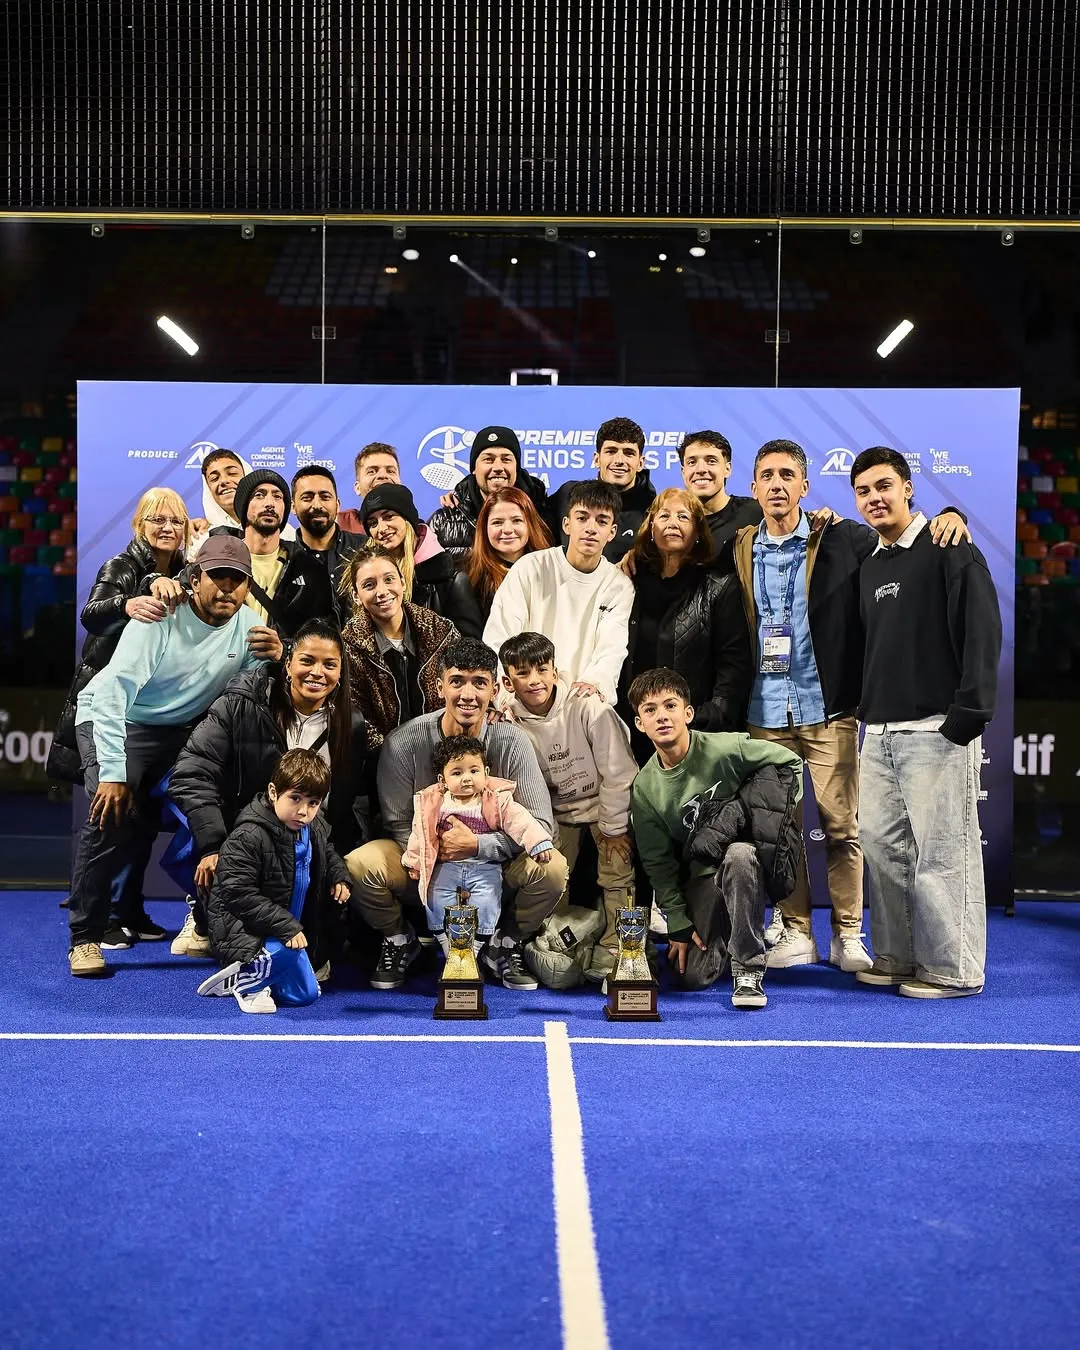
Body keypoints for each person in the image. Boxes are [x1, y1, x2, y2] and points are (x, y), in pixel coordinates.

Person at [732, 438, 971, 975]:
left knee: (844, 829)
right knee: (780, 833)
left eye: (787, 475)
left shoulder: (843, 537)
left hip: (829, 709)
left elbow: (905, 539)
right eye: (766, 476)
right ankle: (795, 932)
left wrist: (950, 515)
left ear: (804, 486)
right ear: (752, 489)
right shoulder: (741, 544)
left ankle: (846, 934)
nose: (776, 484)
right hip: (762, 714)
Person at [66, 536, 284, 977]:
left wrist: (277, 661)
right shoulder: (158, 617)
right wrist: (113, 773)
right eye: (217, 578)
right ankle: (84, 938)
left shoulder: (248, 629)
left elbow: (242, 698)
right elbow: (112, 695)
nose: (227, 589)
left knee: (208, 812)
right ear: (195, 577)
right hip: (116, 719)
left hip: (177, 731)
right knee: (108, 814)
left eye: (237, 581)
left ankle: (205, 920)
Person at [851, 447, 1001, 998]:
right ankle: (898, 956)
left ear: (908, 487)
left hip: (938, 728)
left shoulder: (949, 546)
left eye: (884, 486)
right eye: (863, 491)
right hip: (880, 732)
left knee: (943, 854)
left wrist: (968, 715)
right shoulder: (871, 564)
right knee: (883, 850)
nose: (874, 498)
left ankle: (954, 969)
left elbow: (981, 630)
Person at [344, 637, 567, 991]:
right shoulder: (402, 743)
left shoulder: (513, 742)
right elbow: (399, 824)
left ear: (494, 689)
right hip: (425, 860)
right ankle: (401, 940)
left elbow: (540, 825)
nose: (468, 694)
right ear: (439, 686)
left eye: (479, 683)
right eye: (457, 681)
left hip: (494, 867)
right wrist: (443, 851)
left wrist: (477, 846)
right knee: (359, 865)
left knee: (552, 866)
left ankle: (504, 945)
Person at [167, 617, 369, 961]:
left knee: (318, 956)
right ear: (287, 663)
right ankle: (204, 916)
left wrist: (334, 865)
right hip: (242, 836)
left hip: (307, 839)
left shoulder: (350, 723)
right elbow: (191, 771)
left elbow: (348, 803)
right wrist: (213, 844)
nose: (317, 672)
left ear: (340, 673)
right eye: (307, 660)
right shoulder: (242, 701)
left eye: (329, 664)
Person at [48, 487, 192, 945]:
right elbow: (92, 615)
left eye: (175, 520)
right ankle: (94, 924)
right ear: (140, 527)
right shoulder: (121, 566)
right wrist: (126, 604)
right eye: (157, 521)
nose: (167, 528)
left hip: (154, 711)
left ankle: (128, 909)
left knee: (143, 820)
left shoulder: (189, 572)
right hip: (109, 706)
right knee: (108, 813)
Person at [628, 669, 804, 1010]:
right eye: (650, 710)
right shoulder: (645, 788)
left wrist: (754, 815)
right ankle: (729, 937)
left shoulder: (726, 748)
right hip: (703, 880)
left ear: (688, 713)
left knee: (738, 854)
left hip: (747, 865)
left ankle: (748, 969)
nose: (661, 716)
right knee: (692, 978)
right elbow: (658, 864)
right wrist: (678, 922)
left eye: (670, 705)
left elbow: (791, 766)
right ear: (639, 723)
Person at [500, 632, 638, 983]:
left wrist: (613, 827)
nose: (534, 681)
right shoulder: (504, 722)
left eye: (542, 670)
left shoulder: (589, 706)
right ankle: (551, 943)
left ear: (555, 671)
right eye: (522, 674)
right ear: (507, 681)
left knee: (616, 870)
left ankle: (618, 948)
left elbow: (619, 772)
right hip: (552, 812)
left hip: (604, 803)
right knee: (552, 874)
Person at [195, 750, 353, 1014]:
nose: (303, 811)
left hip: (287, 932)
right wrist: (286, 926)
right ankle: (246, 982)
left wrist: (339, 876)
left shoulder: (314, 828)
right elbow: (238, 894)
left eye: (313, 802)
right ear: (272, 792)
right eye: (295, 798)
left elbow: (327, 850)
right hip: (247, 932)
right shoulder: (247, 836)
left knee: (306, 995)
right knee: (287, 955)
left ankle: (257, 977)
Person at [618, 486, 753, 765]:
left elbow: (733, 665)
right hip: (634, 733)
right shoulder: (627, 580)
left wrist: (705, 719)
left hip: (697, 734)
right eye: (664, 515)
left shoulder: (719, 586)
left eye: (683, 517)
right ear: (651, 527)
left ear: (698, 531)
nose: (673, 523)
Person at [483, 480, 634, 705]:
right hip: (522, 702)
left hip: (581, 704)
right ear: (566, 524)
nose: (590, 528)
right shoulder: (530, 567)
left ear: (612, 532)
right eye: (582, 518)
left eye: (601, 521)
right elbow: (499, 638)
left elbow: (611, 650)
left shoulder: (619, 586)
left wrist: (595, 684)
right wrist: (505, 701)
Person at [403, 734, 554, 952]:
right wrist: (415, 862)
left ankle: (476, 946)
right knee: (434, 898)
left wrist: (537, 841)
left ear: (486, 773)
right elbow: (421, 834)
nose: (466, 778)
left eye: (474, 771)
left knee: (488, 903)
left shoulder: (495, 799)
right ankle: (446, 941)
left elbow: (519, 820)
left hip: (485, 866)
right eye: (457, 772)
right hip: (446, 866)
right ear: (442, 780)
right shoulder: (434, 802)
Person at [340, 543, 460, 751]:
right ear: (356, 596)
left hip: (446, 753)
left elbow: (464, 685)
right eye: (369, 585)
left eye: (389, 579)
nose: (382, 591)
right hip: (383, 761)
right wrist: (394, 757)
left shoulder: (441, 631)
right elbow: (356, 718)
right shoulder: (348, 646)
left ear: (403, 582)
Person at [198, 469, 335, 637]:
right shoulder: (215, 559)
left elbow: (323, 634)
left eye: (277, 496)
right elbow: (183, 589)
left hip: (284, 662)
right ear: (243, 506)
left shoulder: (309, 568)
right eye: (259, 495)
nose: (270, 503)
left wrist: (283, 652)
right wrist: (158, 580)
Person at [360, 482, 483, 636]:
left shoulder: (451, 579)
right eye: (373, 523)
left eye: (389, 517)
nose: (382, 528)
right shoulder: (363, 576)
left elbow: (470, 646)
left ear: (408, 518)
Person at [428, 425, 550, 557]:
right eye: (488, 459)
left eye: (506, 459)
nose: (498, 467)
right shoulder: (444, 520)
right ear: (474, 468)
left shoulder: (543, 513)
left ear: (517, 467)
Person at [549, 416, 656, 561]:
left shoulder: (654, 509)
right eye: (611, 451)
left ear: (640, 463)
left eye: (628, 453)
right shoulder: (568, 494)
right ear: (596, 459)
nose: (619, 461)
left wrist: (638, 556)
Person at [455, 486, 555, 627]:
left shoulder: (552, 569)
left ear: (530, 524)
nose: (507, 530)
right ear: (484, 528)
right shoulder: (468, 578)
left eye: (516, 520)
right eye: (497, 522)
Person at [291, 465, 365, 609]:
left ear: (337, 505)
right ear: (293, 507)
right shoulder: (285, 559)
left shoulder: (364, 549)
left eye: (325, 497)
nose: (317, 505)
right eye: (307, 498)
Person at [679, 430, 764, 552]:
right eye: (692, 462)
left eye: (711, 461)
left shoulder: (756, 514)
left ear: (727, 469)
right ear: (683, 472)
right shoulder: (672, 522)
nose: (701, 469)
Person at [337, 441, 402, 533]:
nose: (382, 475)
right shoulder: (338, 525)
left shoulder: (417, 530)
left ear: (400, 484)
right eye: (372, 471)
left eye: (390, 471)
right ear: (357, 487)